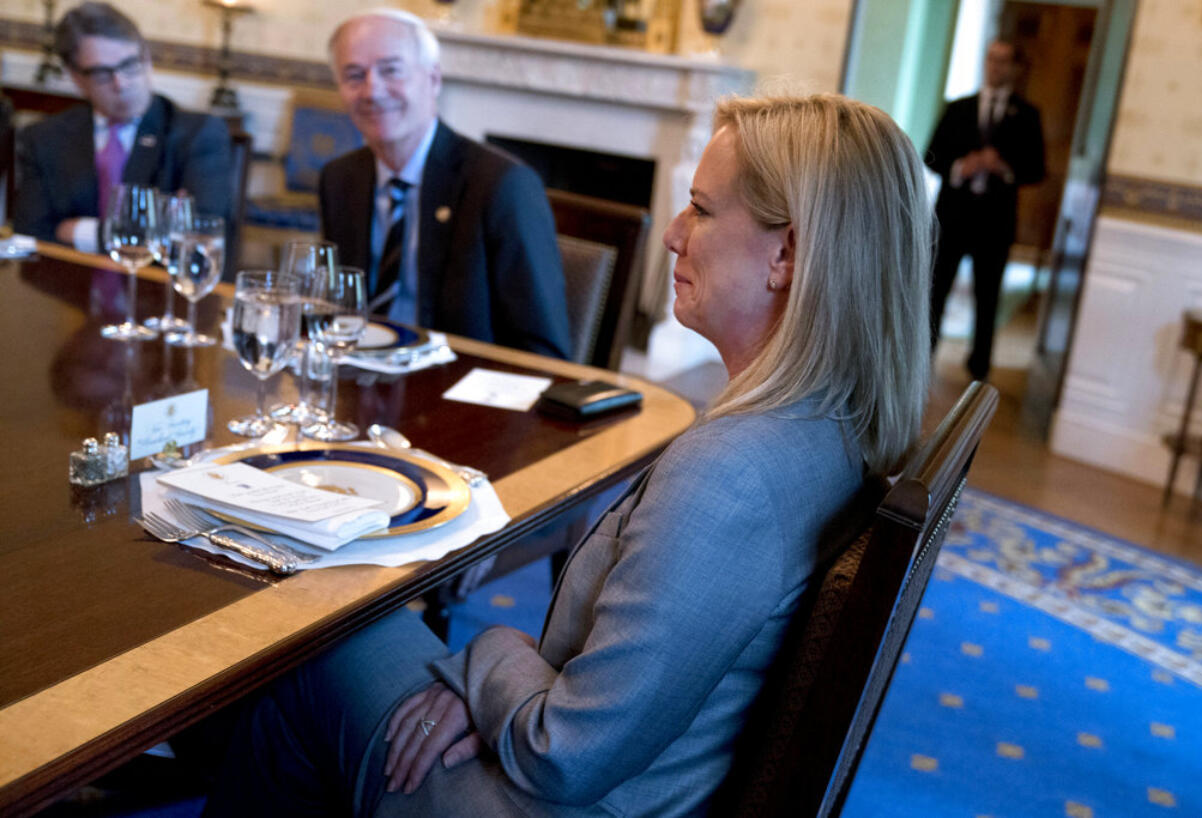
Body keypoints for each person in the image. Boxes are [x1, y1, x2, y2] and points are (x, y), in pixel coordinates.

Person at [204, 93, 933, 817]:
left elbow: (565, 753)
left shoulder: (732, 474)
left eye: (703, 211)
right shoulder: (829, 431)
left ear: (787, 254)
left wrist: (486, 655)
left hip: (542, 804)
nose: (675, 235)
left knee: (305, 636)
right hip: (624, 776)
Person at [319, 10, 570, 359]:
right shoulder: (339, 178)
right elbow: (335, 310)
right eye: (354, 75)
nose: (372, 90)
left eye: (391, 70)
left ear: (433, 79)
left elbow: (543, 351)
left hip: (459, 391)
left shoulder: (502, 185)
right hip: (360, 379)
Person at [12, 2, 231, 252]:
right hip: (66, 285)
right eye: (102, 73)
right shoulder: (43, 137)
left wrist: (78, 231)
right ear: (76, 78)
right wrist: (155, 228)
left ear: (146, 58)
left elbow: (199, 236)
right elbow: (30, 233)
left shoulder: (198, 134)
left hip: (160, 289)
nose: (121, 83)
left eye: (129, 65)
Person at [927, 39, 1045, 380]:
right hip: (952, 216)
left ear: (1015, 68)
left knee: (988, 295)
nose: (997, 67)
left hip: (995, 220)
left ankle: (979, 368)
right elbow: (931, 153)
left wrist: (1003, 168)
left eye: (1005, 61)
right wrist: (962, 166)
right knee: (936, 289)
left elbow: (1036, 169)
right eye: (992, 59)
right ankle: (924, 357)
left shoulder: (1026, 115)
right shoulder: (958, 108)